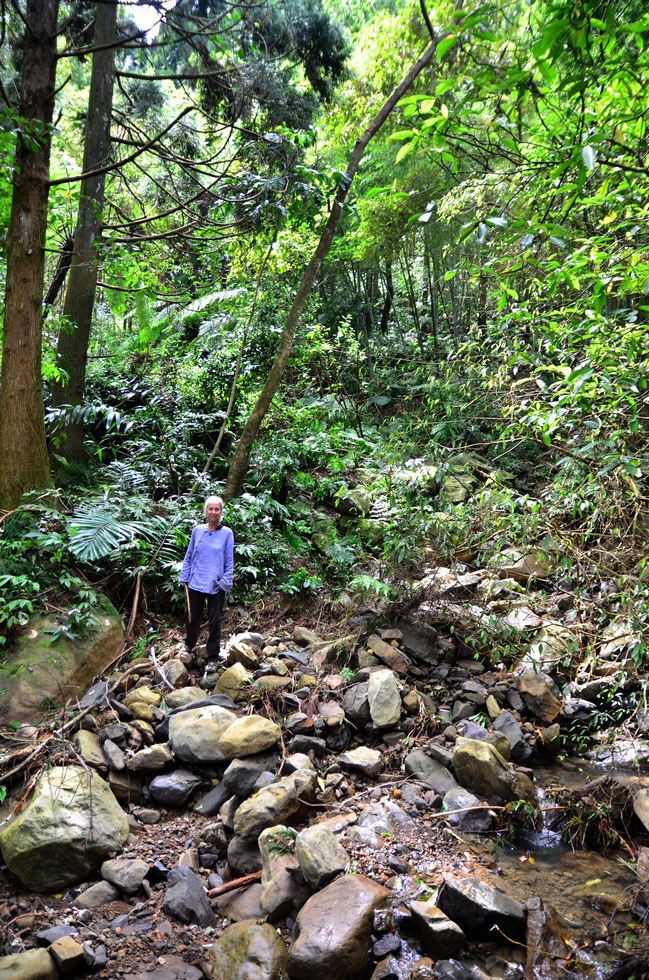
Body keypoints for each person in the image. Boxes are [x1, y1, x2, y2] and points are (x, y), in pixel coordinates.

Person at [179, 495, 234, 661]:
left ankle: (212, 656)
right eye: (210, 508)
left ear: (221, 511)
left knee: (214, 621)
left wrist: (225, 582)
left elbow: (229, 560)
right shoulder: (198, 531)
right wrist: (185, 575)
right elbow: (189, 555)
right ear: (206, 511)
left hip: (216, 585)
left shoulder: (226, 533)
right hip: (196, 582)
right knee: (192, 616)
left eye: (217, 509)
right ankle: (189, 643)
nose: (213, 512)